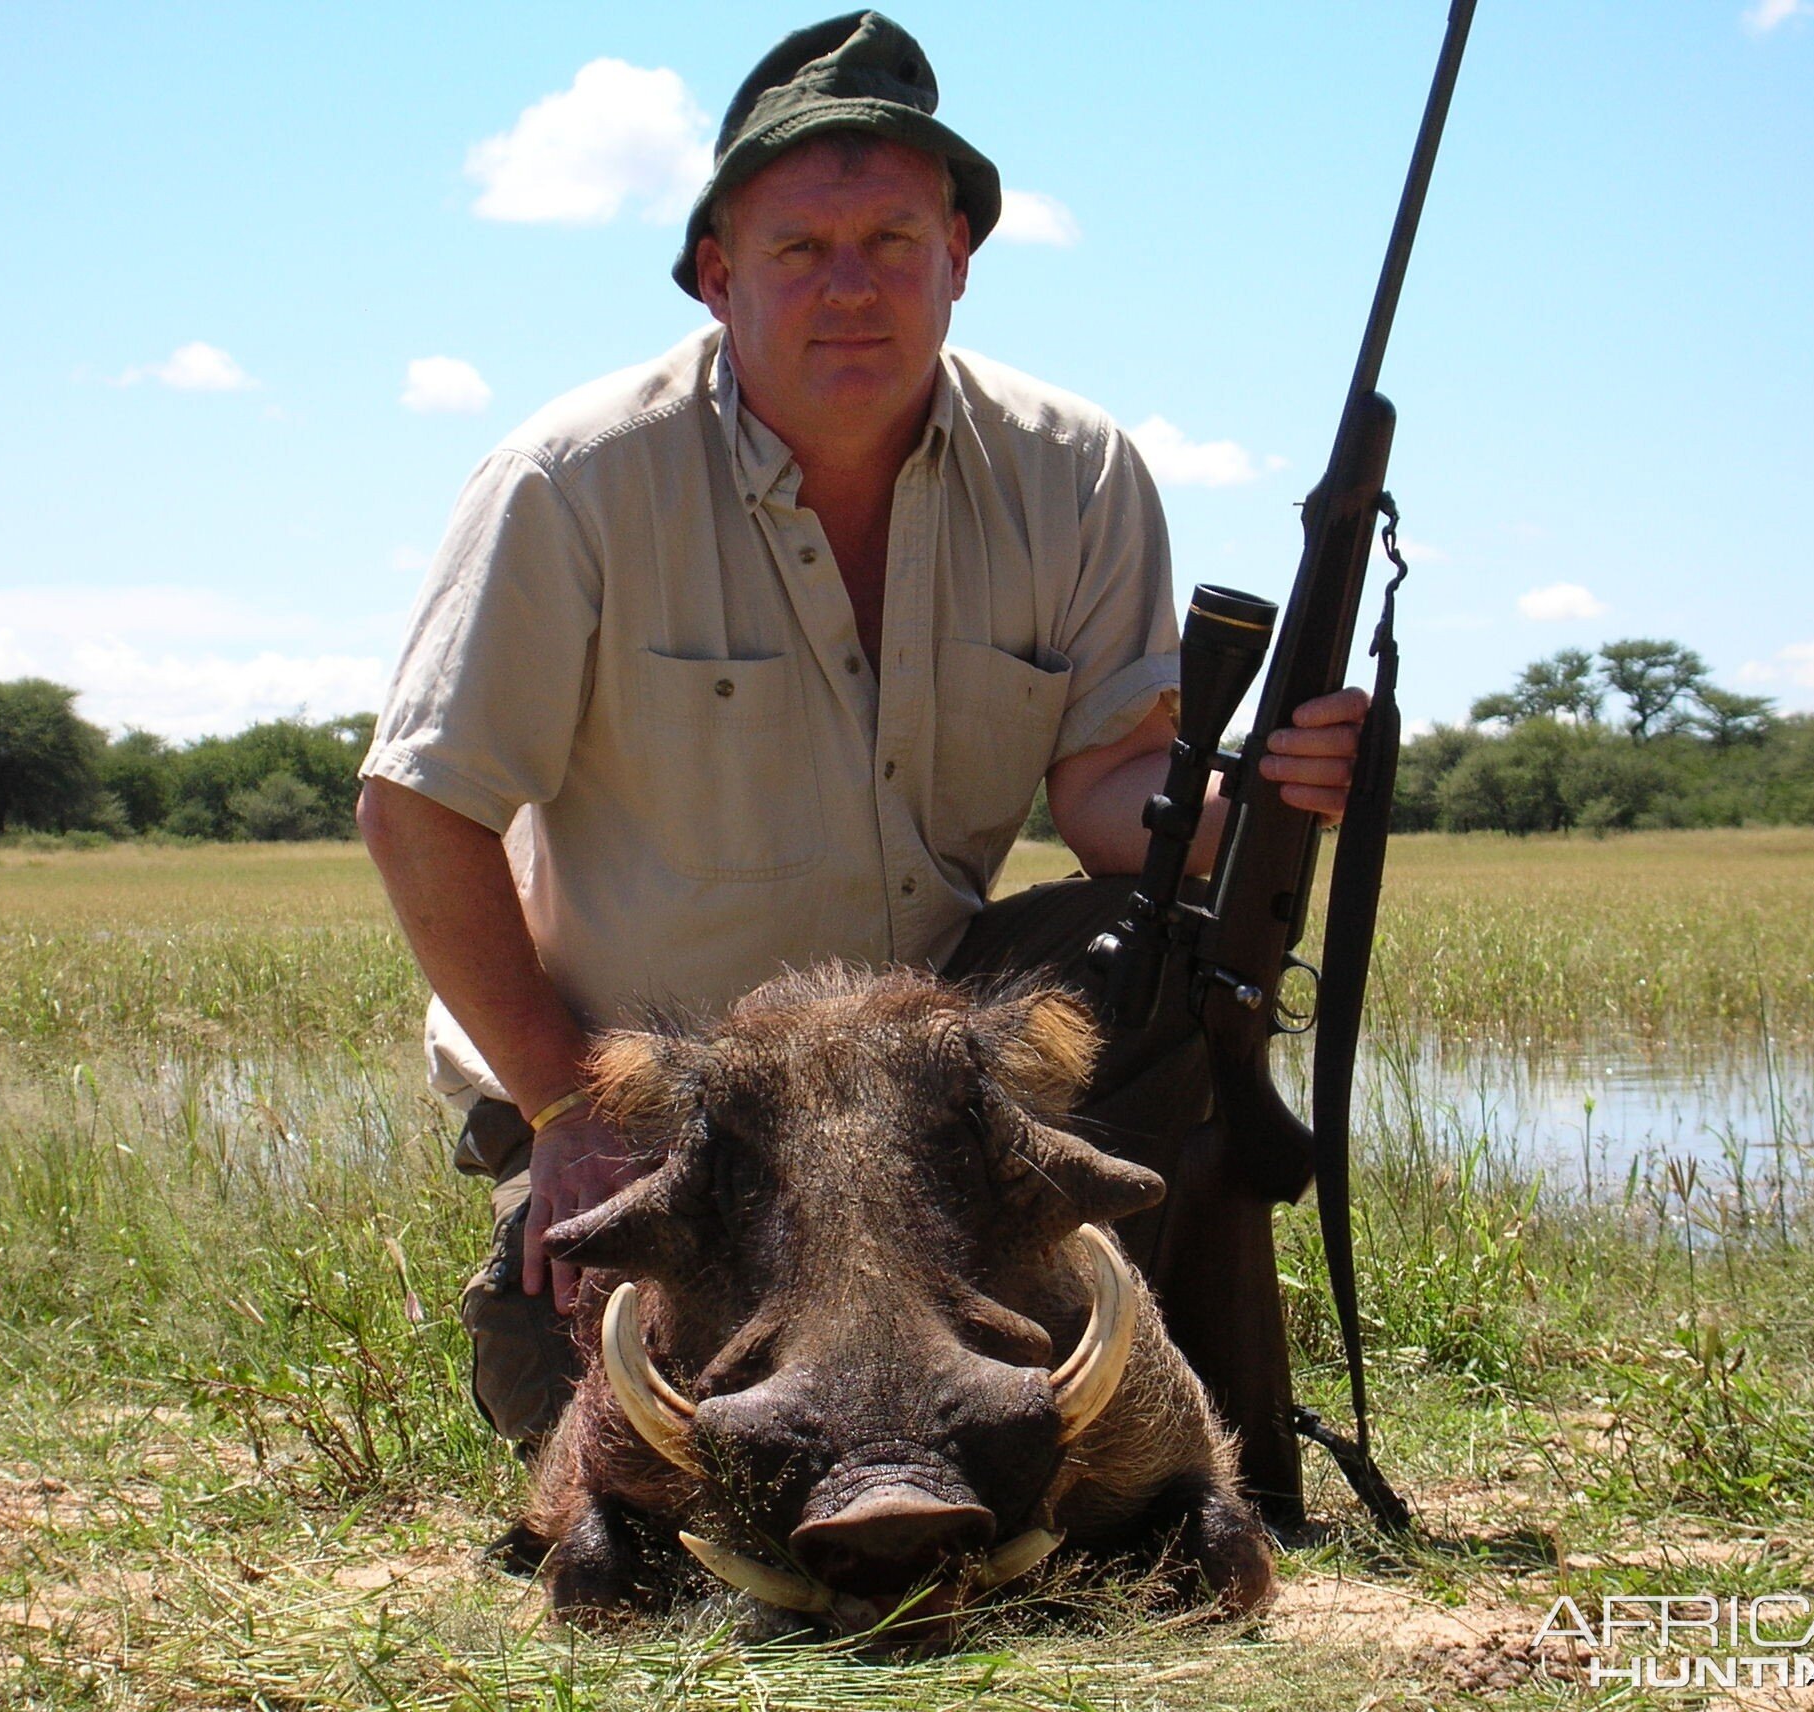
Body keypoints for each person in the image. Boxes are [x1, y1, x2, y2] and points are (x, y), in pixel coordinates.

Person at [357, 11, 1367, 1446]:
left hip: (923, 1052)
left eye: (894, 242)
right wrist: (565, 1110)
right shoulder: (570, 479)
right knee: (619, 1428)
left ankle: (1129, 1382)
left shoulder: (1076, 471)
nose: (853, 290)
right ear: (717, 275)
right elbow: (419, 810)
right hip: (642, 1079)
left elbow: (1106, 794)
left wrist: (1259, 801)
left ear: (959, 257)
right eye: (799, 251)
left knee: (1144, 950)